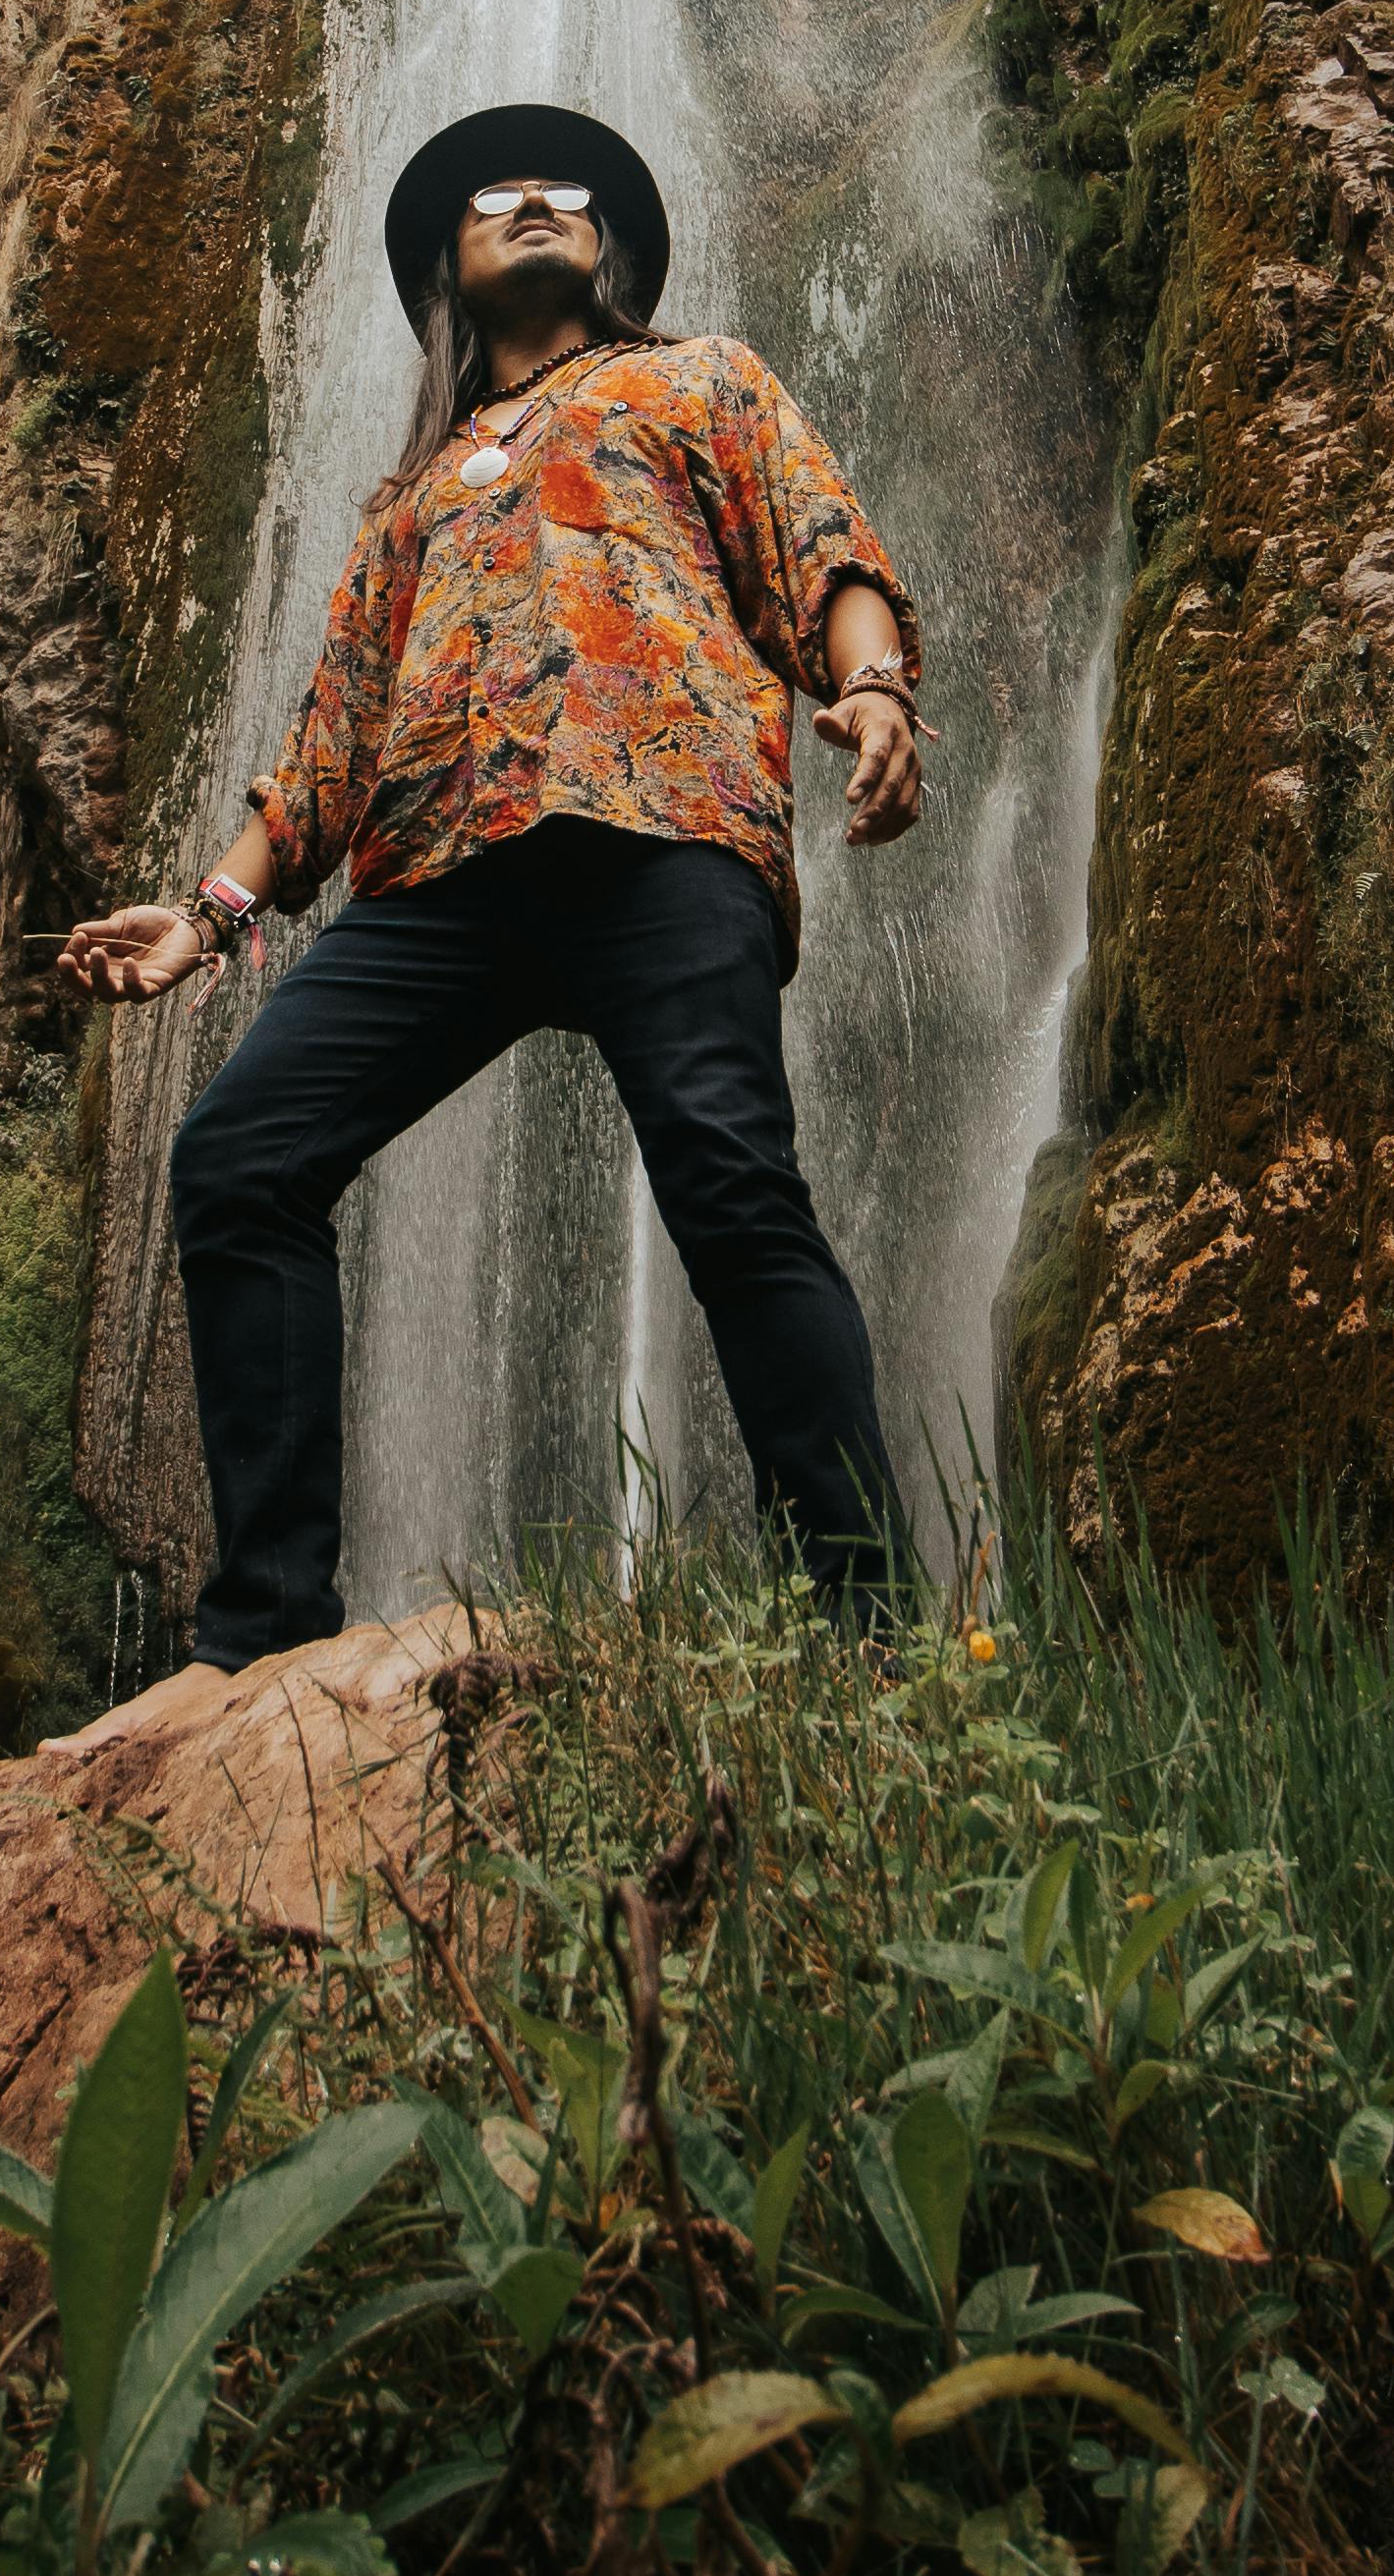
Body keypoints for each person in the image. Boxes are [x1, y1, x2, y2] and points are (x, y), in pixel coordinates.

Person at [62, 99, 928, 1667]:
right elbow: (327, 747)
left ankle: (873, 1629)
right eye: (495, 196)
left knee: (737, 1195)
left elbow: (820, 547)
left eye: (565, 191)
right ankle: (262, 1634)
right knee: (238, 1161)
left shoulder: (698, 379)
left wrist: (872, 690)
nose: (535, 203)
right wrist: (203, 919)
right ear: (447, 270)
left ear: (607, 248)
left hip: (662, 823)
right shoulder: (409, 501)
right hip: (441, 875)